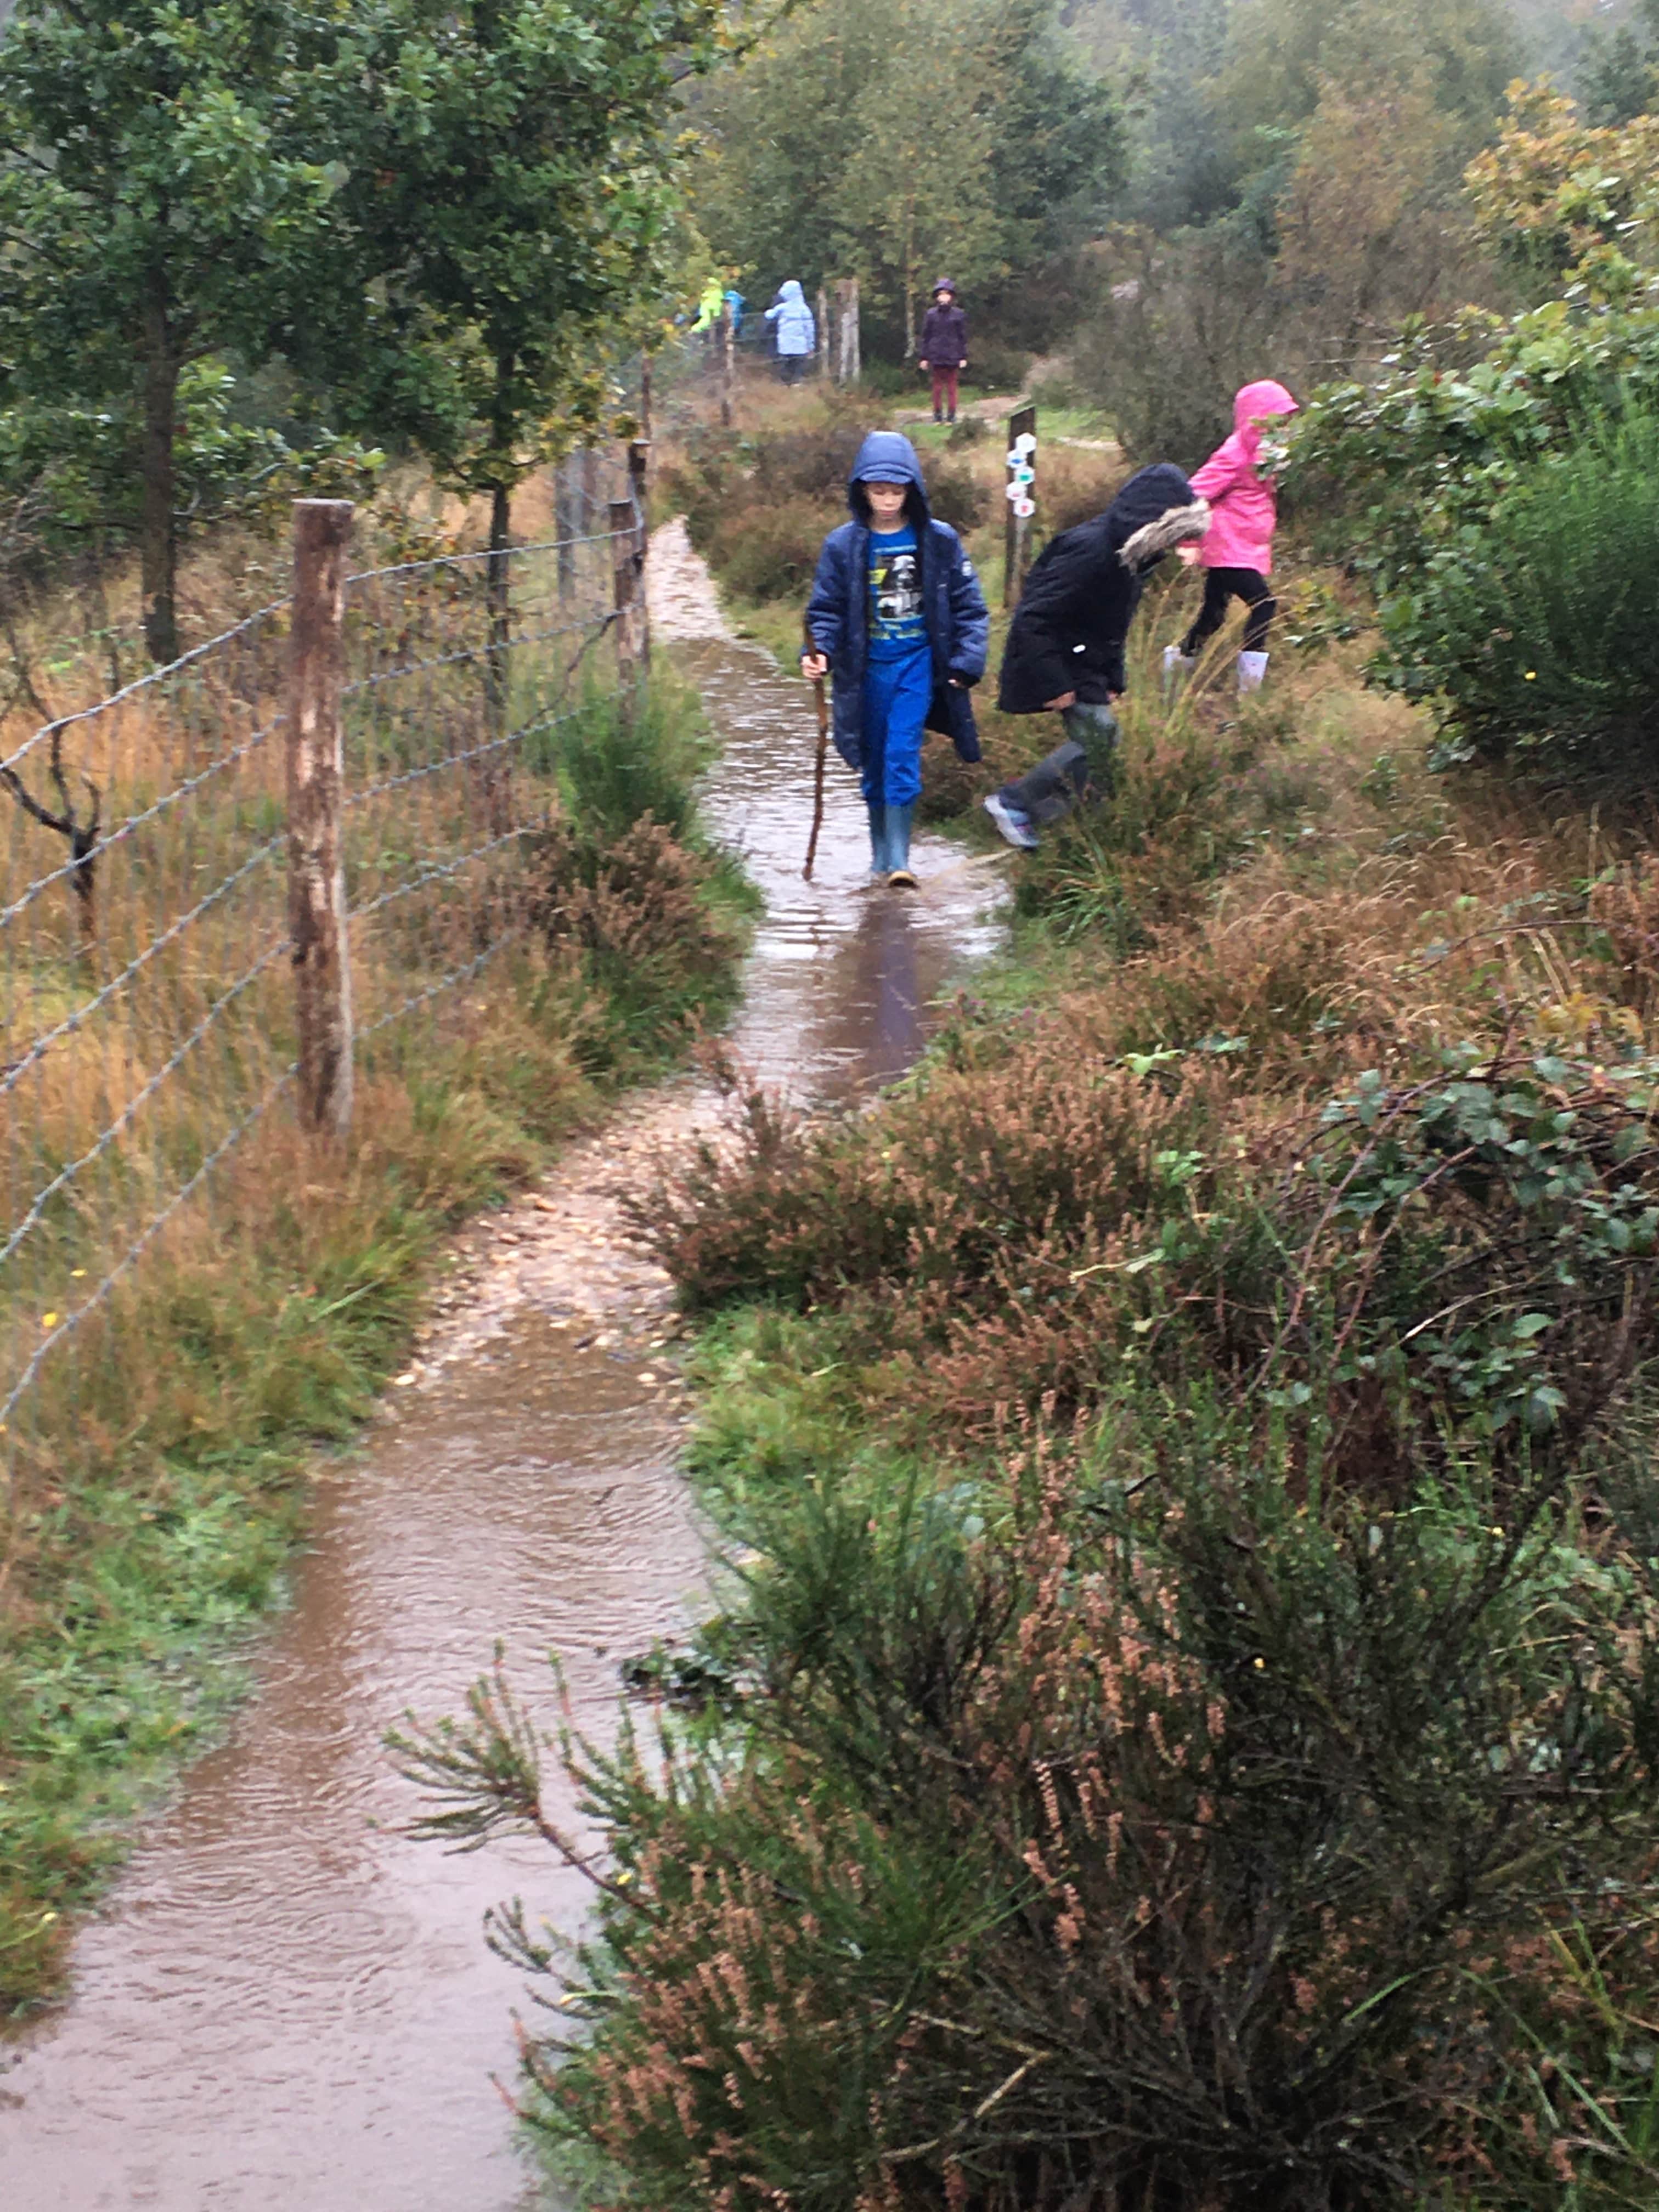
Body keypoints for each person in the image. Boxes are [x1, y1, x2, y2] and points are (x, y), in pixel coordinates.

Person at [982, 464, 1210, 851]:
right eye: (1175, 536)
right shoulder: (1090, 551)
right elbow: (1033, 616)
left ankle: (1062, 836)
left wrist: (1113, 681)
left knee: (1104, 755)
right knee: (1101, 739)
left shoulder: (1131, 558)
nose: (1176, 548)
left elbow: (1112, 628)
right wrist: (1055, 684)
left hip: (1084, 662)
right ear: (1151, 523)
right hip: (1058, 659)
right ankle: (1013, 804)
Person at [803, 431, 989, 888]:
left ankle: (900, 860)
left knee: (902, 752)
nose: (887, 500)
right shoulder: (842, 545)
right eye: (878, 490)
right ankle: (880, 859)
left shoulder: (939, 541)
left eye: (896, 491)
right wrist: (819, 653)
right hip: (863, 671)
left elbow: (970, 606)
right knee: (871, 759)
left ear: (913, 490)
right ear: (862, 490)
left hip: (917, 663)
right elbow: (824, 609)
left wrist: (967, 660)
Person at [1164, 379, 1299, 695]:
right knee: (1264, 605)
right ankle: (1249, 690)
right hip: (1228, 547)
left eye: (1285, 420)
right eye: (1275, 419)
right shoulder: (1234, 454)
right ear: (1256, 418)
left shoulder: (1265, 453)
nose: (1282, 426)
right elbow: (1193, 495)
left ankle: (1175, 671)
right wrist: (1188, 542)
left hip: (1242, 546)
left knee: (1213, 616)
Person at [918, 279, 968, 425]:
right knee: (937, 388)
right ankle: (937, 416)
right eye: (941, 294)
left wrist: (963, 356)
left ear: (951, 296)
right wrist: (924, 357)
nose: (944, 297)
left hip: (953, 355)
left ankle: (951, 416)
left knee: (952, 387)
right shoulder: (931, 315)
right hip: (936, 355)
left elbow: (962, 337)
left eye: (947, 294)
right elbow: (926, 336)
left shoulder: (958, 314)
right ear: (937, 297)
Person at [765, 279, 817, 383]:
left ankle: (786, 382)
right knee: (798, 364)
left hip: (785, 343)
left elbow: (769, 315)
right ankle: (797, 382)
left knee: (786, 363)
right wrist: (811, 344)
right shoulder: (804, 309)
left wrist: (769, 312)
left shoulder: (782, 308)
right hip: (800, 344)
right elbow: (809, 327)